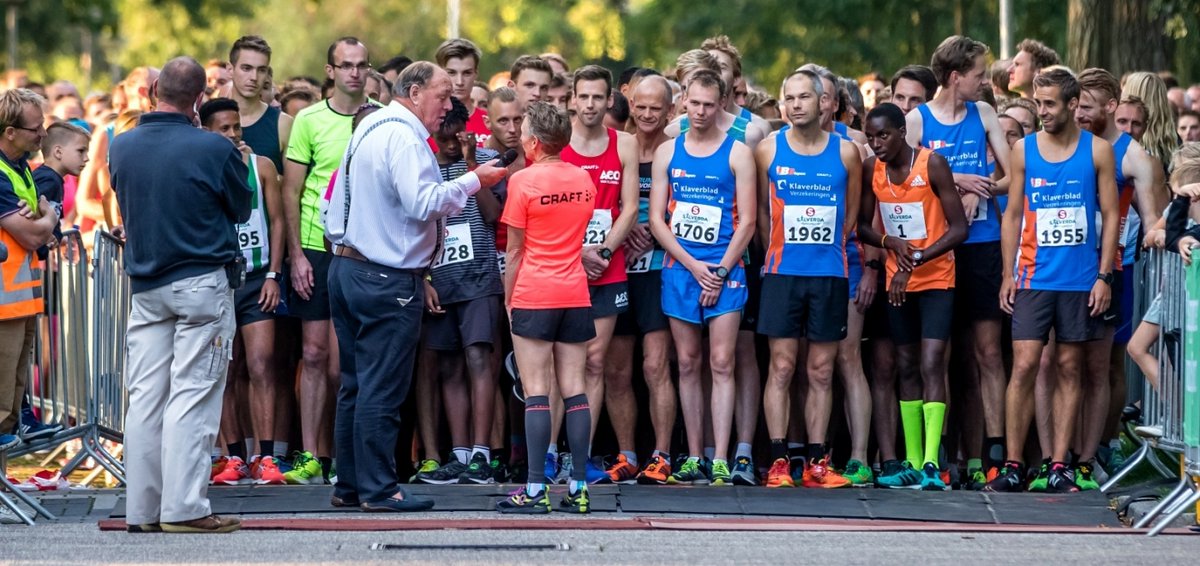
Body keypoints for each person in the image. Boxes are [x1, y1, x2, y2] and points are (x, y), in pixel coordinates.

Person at [324, 61, 507, 512]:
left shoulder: (371, 128)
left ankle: (351, 484)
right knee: (381, 386)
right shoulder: (404, 136)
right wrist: (474, 180)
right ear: (415, 91)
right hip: (384, 277)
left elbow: (339, 203)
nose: (449, 106)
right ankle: (379, 489)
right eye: (442, 96)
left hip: (349, 266)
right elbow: (423, 203)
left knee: (356, 384)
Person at [111, 57, 251, 533]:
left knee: (146, 398)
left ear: (154, 93)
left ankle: (142, 510)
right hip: (200, 280)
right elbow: (240, 206)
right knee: (193, 395)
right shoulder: (213, 147)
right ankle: (185, 507)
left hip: (147, 284)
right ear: (199, 99)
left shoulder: (122, 145)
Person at [986, 68, 1119, 494]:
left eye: (1049, 104)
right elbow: (1012, 214)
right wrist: (1008, 274)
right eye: (1038, 103)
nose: (1041, 111)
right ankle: (1013, 465)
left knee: (1069, 366)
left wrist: (1104, 276)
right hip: (1033, 276)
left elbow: (1111, 215)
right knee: (1025, 365)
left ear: (1072, 104)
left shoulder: (1098, 151)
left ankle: (1060, 465)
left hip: (1080, 280)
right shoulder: (1023, 150)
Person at [906, 36, 1012, 488]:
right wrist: (955, 184)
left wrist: (980, 189)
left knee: (988, 352)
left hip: (982, 244)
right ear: (955, 77)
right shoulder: (917, 120)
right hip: (937, 250)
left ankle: (994, 452)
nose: (984, 81)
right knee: (940, 356)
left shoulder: (983, 114)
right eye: (979, 74)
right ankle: (940, 455)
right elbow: (903, 183)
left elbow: (1012, 177)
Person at [650, 69, 757, 485]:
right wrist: (694, 267)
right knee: (688, 362)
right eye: (693, 103)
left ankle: (721, 457)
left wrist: (720, 271)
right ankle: (694, 455)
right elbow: (658, 221)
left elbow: (748, 222)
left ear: (722, 104)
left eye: (708, 105)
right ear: (683, 101)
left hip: (725, 270)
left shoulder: (738, 153)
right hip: (681, 269)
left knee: (722, 362)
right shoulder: (667, 151)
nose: (700, 111)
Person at [756, 69, 862, 488]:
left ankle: (818, 461)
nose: (796, 104)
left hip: (829, 273)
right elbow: (761, 213)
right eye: (790, 98)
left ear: (824, 102)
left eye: (804, 97)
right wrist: (776, 249)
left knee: (821, 370)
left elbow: (852, 214)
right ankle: (779, 461)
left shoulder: (847, 152)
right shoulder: (768, 149)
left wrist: (829, 247)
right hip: (782, 273)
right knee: (782, 366)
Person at [859, 102, 968, 490]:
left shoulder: (932, 164)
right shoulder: (872, 169)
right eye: (870, 137)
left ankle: (932, 463)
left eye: (883, 135)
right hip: (897, 281)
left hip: (936, 278)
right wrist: (888, 241)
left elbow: (959, 228)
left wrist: (918, 257)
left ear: (902, 132)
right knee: (905, 364)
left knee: (932, 361)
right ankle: (913, 458)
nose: (877, 143)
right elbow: (862, 227)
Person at [281, 37, 375, 485]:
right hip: (316, 248)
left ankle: (343, 456)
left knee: (344, 364)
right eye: (346, 65)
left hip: (361, 249)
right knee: (313, 354)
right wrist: (296, 255)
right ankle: (310, 455)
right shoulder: (308, 120)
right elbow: (291, 190)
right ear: (331, 70)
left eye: (361, 65)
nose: (354, 72)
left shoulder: (381, 117)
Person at [495, 101, 595, 514]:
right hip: (575, 293)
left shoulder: (522, 181)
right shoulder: (584, 179)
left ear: (534, 142)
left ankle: (536, 489)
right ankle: (579, 487)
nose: (519, 138)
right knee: (575, 389)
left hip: (534, 293)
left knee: (536, 390)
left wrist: (508, 299)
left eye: (523, 133)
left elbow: (515, 250)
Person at [1073, 68, 1167, 489]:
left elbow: (1153, 219)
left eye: (1086, 106)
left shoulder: (1133, 156)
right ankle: (1065, 453)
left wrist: (1153, 233)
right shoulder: (1069, 142)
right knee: (1066, 362)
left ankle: (1102, 446)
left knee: (1106, 362)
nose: (1078, 113)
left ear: (1110, 106)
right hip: (1064, 266)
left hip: (1114, 270)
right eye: (1076, 105)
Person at [414, 97, 505, 485]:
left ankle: (482, 454)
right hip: (439, 280)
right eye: (445, 138)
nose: (452, 144)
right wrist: (423, 280)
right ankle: (461, 452)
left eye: (458, 136)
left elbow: (492, 215)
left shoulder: (486, 159)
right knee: (449, 367)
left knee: (479, 359)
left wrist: (470, 165)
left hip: (479, 278)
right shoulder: (421, 165)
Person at [197, 98, 287, 486]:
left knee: (262, 363)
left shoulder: (261, 166)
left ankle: (265, 456)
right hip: (220, 281)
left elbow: (278, 221)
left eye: (237, 127)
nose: (234, 134)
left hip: (256, 279)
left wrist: (274, 274)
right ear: (206, 133)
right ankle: (233, 455)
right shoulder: (201, 167)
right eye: (224, 129)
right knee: (225, 370)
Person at [559, 65, 640, 484]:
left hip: (608, 267)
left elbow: (630, 208)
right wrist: (576, 254)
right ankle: (549, 454)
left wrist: (604, 251)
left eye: (597, 97)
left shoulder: (624, 143)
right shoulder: (557, 143)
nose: (590, 105)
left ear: (610, 100)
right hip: (564, 267)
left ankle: (581, 456)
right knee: (559, 363)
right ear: (572, 99)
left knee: (594, 361)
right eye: (583, 96)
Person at [606, 75, 677, 485]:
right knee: (616, 370)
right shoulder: (620, 146)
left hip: (659, 268)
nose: (647, 114)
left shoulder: (676, 150)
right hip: (618, 266)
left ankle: (662, 454)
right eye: (641, 106)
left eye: (656, 108)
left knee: (654, 367)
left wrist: (655, 229)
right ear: (630, 104)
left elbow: (695, 204)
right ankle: (626, 454)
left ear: (670, 110)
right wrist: (624, 227)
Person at [0, 89, 58, 454]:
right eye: (35, 129)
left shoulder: (20, 167)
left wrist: (40, 220)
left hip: (20, 301)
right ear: (10, 132)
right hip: (4, 304)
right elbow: (35, 232)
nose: (43, 135)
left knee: (9, 411)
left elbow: (35, 230)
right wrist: (49, 215)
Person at [228, 36, 293, 174]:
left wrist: (257, 166)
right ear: (230, 69)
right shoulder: (208, 117)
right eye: (246, 68)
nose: (254, 77)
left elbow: (292, 184)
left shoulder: (283, 123)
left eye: (261, 70)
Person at [435, 38, 491, 148]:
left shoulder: (490, 122)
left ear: (476, 74)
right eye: (452, 73)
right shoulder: (429, 122)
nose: (459, 82)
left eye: (467, 73)